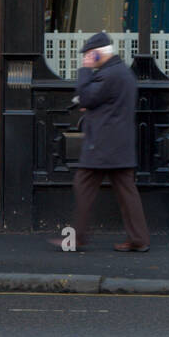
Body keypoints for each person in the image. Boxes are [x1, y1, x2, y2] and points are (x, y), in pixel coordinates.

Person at [54, 31, 151, 253]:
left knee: (83, 186)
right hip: (118, 144)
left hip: (102, 144)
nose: (85, 58)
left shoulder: (108, 75)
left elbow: (87, 97)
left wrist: (85, 70)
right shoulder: (121, 72)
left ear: (98, 54)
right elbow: (100, 101)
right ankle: (138, 238)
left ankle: (77, 238)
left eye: (89, 54)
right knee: (127, 193)